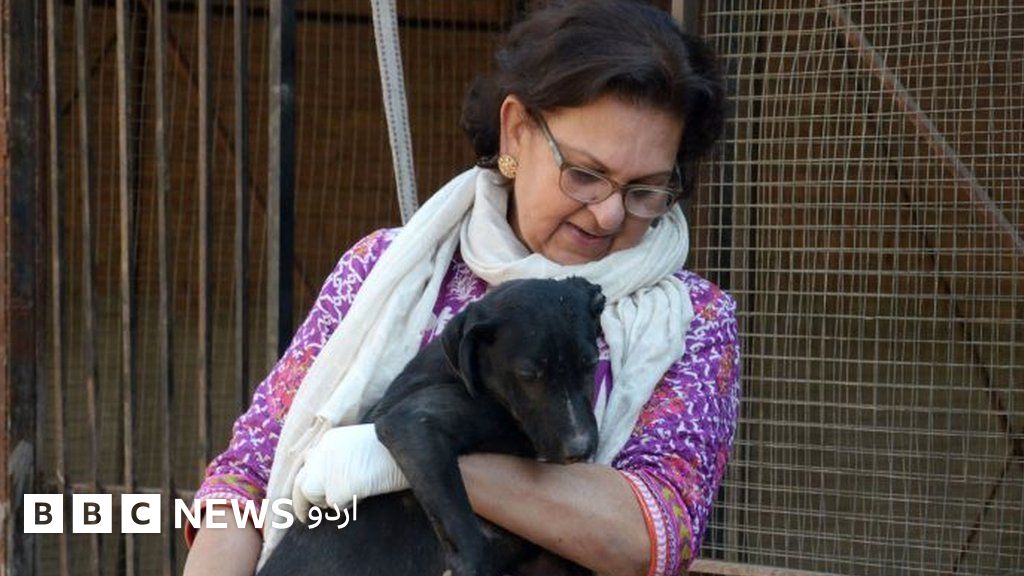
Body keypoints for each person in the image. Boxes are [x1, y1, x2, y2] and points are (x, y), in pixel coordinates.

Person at [182, 1, 738, 575]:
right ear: (516, 131)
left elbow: (650, 532)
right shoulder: (385, 267)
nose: (609, 214)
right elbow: (245, 481)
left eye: (645, 190)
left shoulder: (692, 320)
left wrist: (408, 456)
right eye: (585, 175)